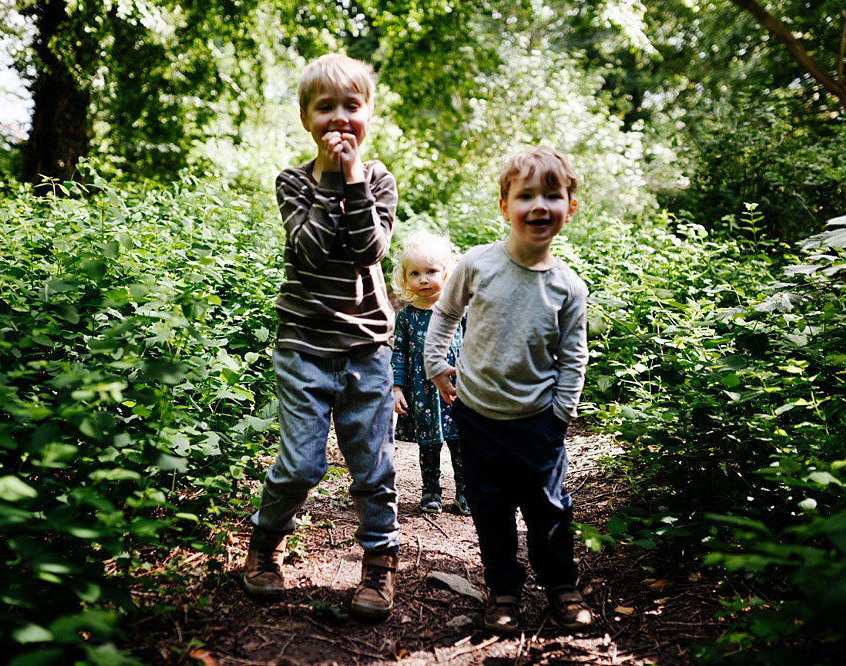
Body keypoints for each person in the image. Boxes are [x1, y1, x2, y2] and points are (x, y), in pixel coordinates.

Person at [242, 54, 400, 622]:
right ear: (306, 117)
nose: (339, 120)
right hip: (304, 347)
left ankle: (379, 567)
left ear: (368, 115)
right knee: (302, 466)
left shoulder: (379, 179)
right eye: (325, 108)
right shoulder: (292, 182)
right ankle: (265, 546)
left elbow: (370, 250)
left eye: (350, 108)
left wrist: (353, 179)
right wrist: (330, 179)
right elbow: (308, 248)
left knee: (373, 466)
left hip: (366, 348)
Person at [423, 146, 594, 633]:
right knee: (491, 508)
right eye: (526, 196)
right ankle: (503, 589)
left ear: (569, 207)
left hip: (538, 420)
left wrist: (561, 415)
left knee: (549, 509)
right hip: (477, 417)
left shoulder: (567, 287)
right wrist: (436, 363)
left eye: (552, 195)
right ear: (505, 206)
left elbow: (574, 356)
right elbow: (445, 314)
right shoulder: (478, 265)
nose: (539, 206)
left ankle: (562, 585)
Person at [390, 230, 470, 515]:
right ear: (405, 278)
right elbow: (398, 353)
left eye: (431, 271)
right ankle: (431, 491)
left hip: (457, 390)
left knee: (462, 442)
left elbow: (475, 343)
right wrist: (397, 388)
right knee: (429, 444)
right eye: (415, 273)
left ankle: (465, 490)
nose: (423, 279)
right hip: (422, 394)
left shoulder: (458, 309)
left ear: (446, 273)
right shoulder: (407, 316)